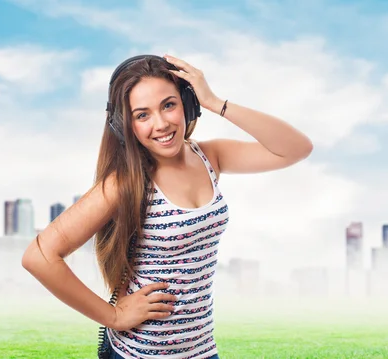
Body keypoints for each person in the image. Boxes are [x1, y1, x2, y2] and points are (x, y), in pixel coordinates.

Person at [21, 54, 313, 359]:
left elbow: (296, 149)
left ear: (187, 103)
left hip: (201, 349)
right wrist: (114, 318)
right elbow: (38, 257)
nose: (160, 124)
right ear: (125, 124)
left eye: (169, 105)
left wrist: (215, 102)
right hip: (140, 354)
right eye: (142, 115)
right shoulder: (126, 182)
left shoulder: (209, 157)